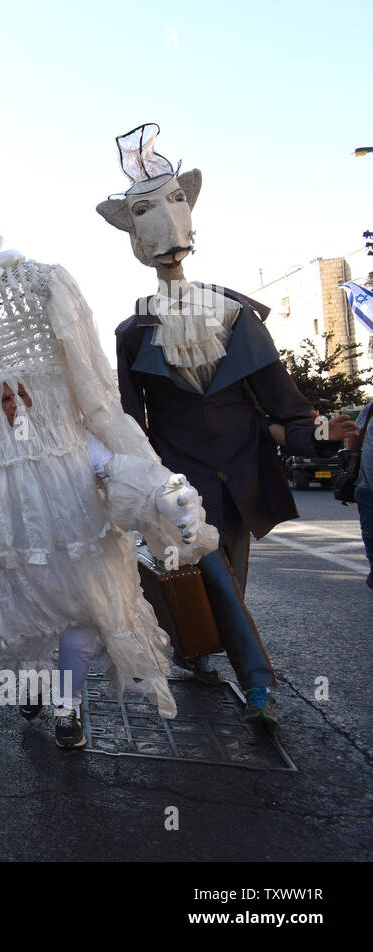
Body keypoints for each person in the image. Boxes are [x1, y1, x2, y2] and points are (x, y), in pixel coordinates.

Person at [0, 145, 216, 749]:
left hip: (72, 486)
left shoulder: (44, 282)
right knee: (29, 613)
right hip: (9, 502)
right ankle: (42, 689)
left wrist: (163, 490)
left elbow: (101, 408)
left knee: (86, 612)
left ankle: (68, 708)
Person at [100, 123, 360, 729]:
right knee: (209, 574)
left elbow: (282, 402)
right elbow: (130, 420)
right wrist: (133, 484)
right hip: (179, 488)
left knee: (227, 578)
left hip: (241, 476)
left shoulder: (234, 314)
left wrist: (319, 433)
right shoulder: (134, 331)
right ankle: (259, 685)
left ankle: (197, 654)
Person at [348, 401, 372, 588]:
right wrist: (349, 459)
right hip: (368, 485)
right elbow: (356, 435)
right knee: (370, 531)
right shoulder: (370, 409)